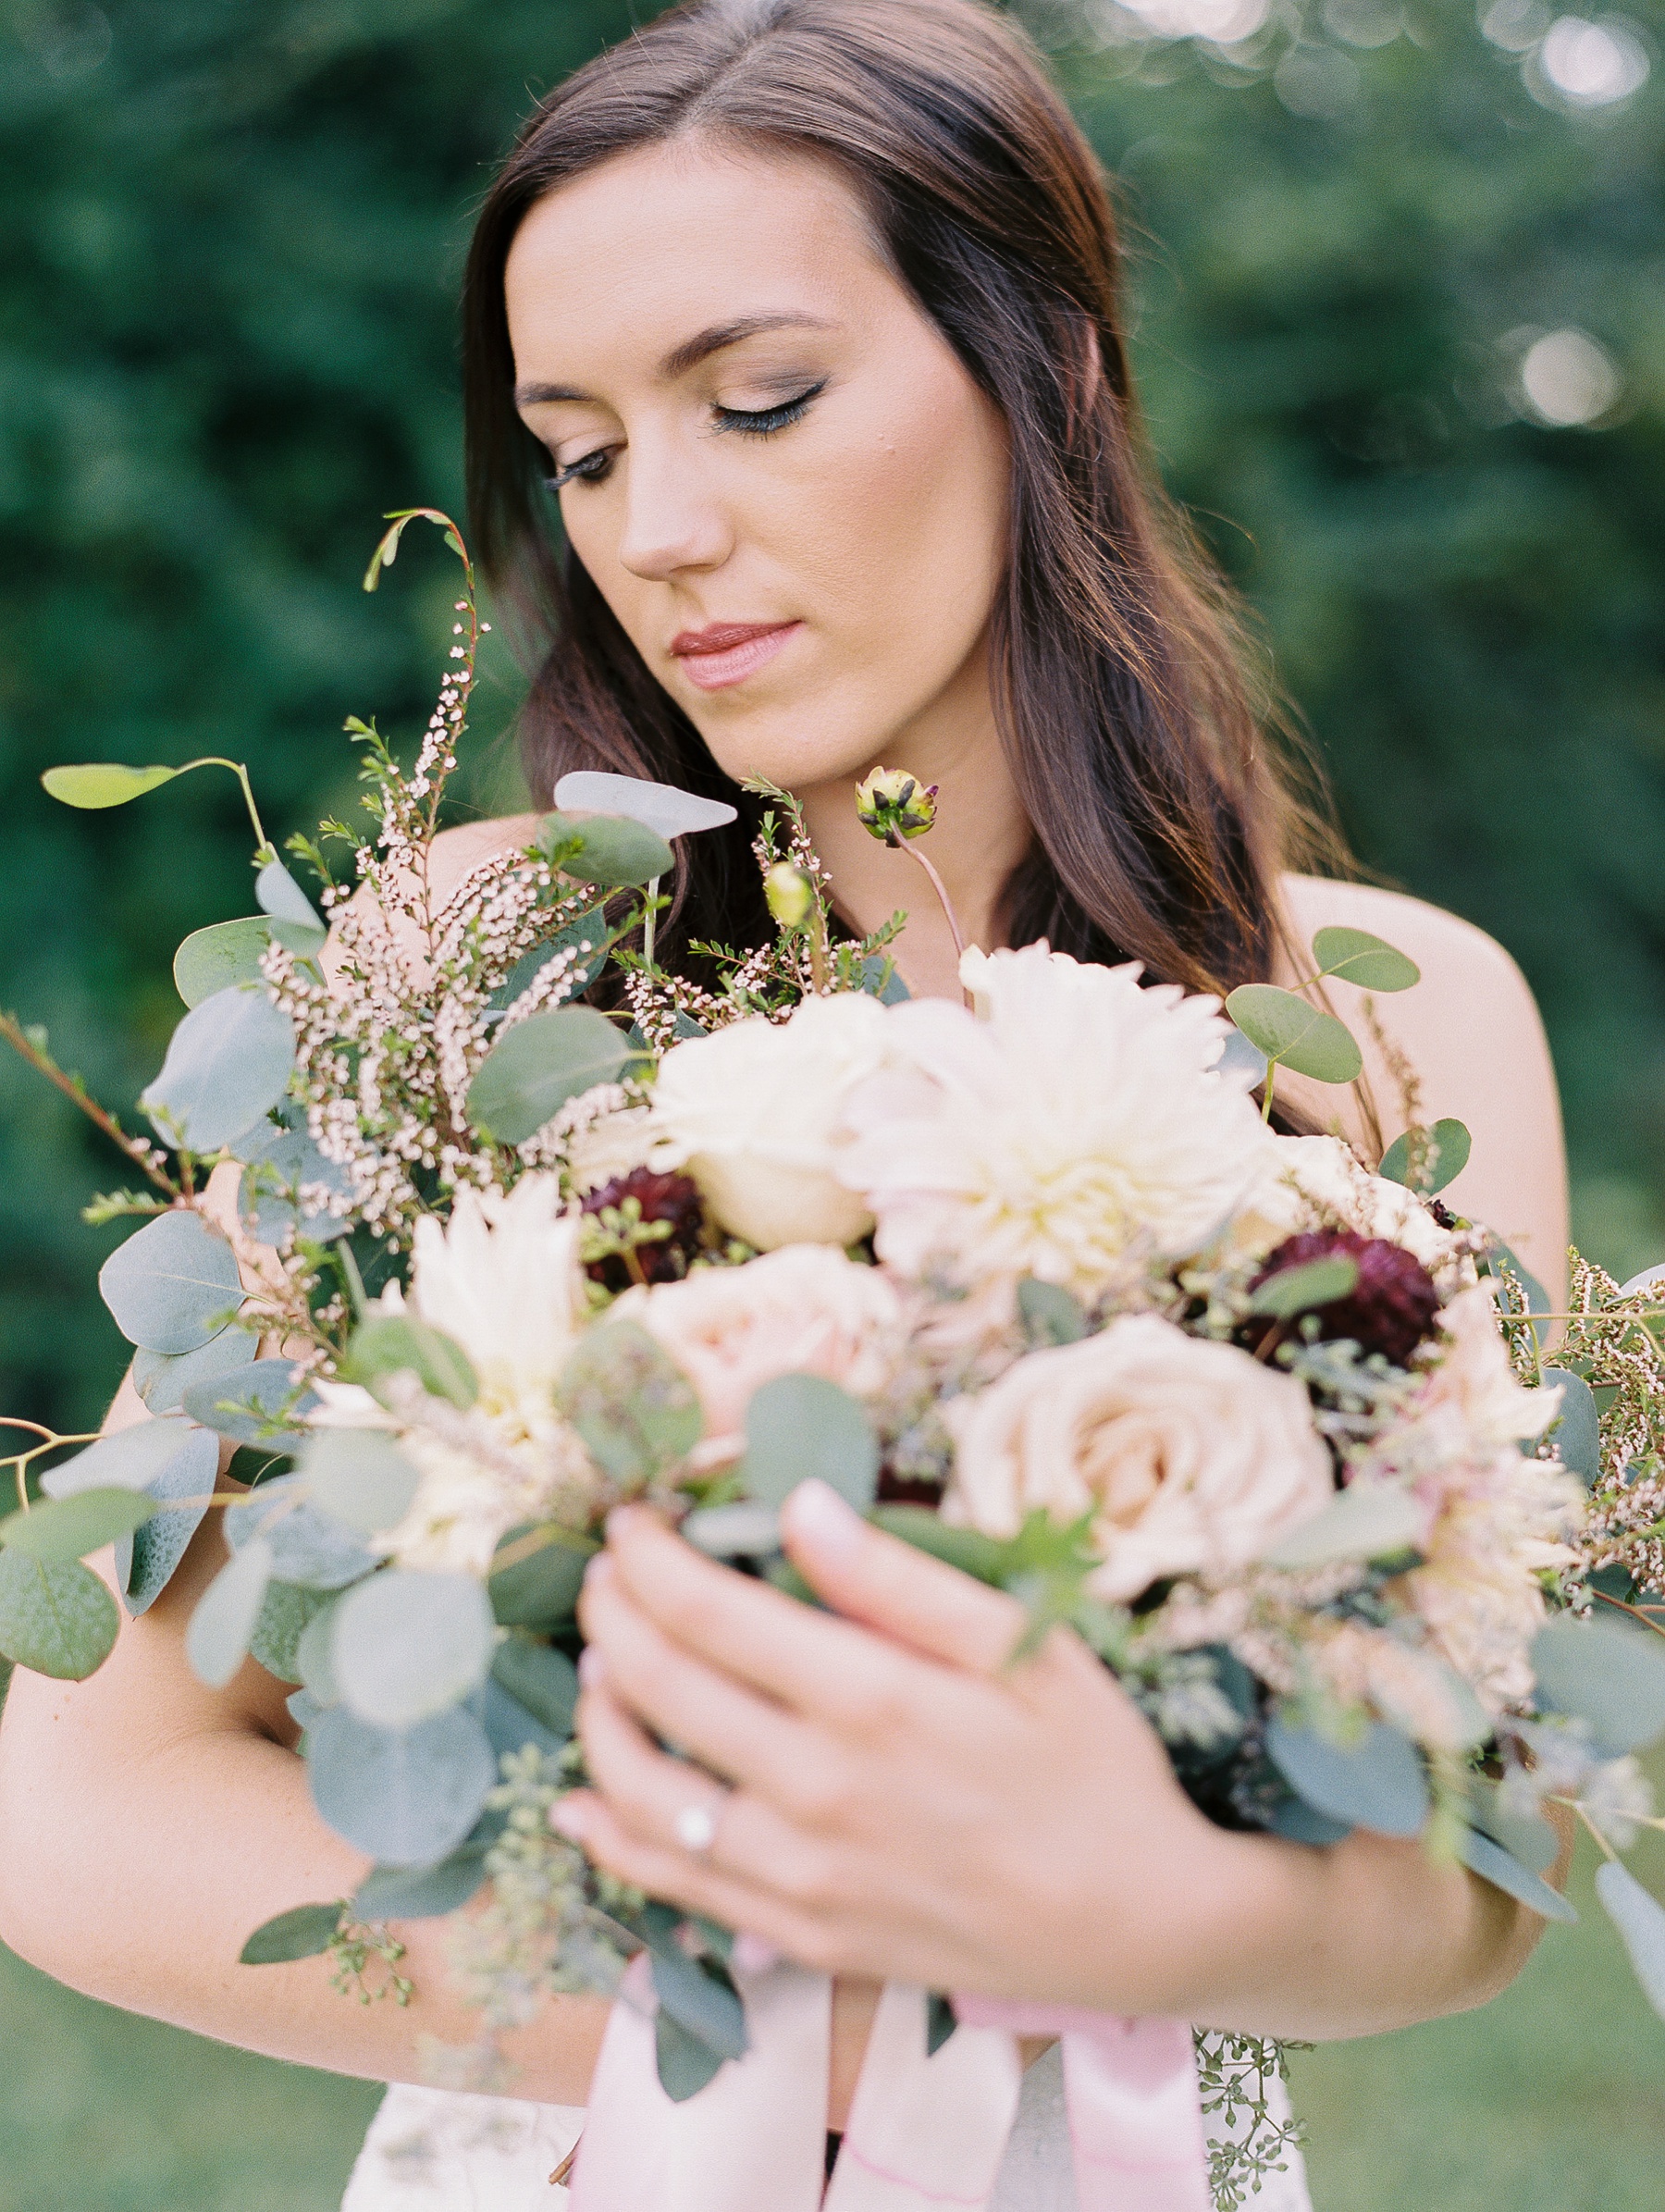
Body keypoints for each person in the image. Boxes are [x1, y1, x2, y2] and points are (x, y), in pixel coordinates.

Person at [0, 2, 1571, 2206]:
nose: (663, 528)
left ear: (1055, 375)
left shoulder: (1391, 1019)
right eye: (588, 447)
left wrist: (1130, 1915)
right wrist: (740, 2023)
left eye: (762, 400)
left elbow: (1483, 1849)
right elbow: (78, 1787)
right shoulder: (454, 963)